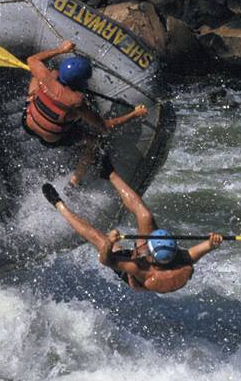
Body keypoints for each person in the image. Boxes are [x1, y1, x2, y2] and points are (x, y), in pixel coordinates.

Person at [41, 156, 223, 293]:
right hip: (157, 261)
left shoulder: (141, 270)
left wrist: (109, 243)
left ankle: (59, 205)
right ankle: (109, 173)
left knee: (98, 238)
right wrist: (212, 243)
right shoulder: (182, 262)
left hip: (133, 276)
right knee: (146, 216)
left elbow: (106, 261)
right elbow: (194, 253)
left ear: (150, 254)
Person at [23, 40, 149, 186]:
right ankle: (75, 181)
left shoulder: (45, 78)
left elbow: (32, 60)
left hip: (28, 122)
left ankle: (35, 100)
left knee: (37, 77)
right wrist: (134, 114)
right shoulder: (77, 103)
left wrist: (60, 50)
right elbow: (105, 126)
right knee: (94, 141)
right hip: (51, 139)